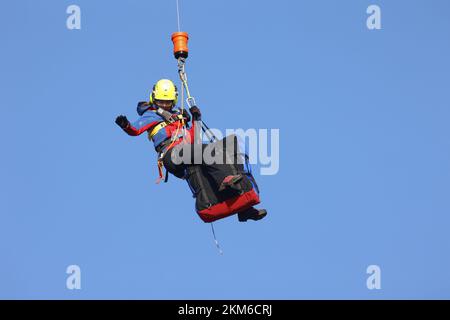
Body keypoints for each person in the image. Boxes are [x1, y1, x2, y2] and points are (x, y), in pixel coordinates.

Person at [115, 79, 266, 222]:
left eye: (168, 102)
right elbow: (135, 129)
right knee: (206, 151)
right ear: (154, 99)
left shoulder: (179, 117)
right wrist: (125, 125)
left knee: (230, 145)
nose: (165, 105)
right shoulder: (151, 114)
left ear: (173, 101)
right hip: (171, 155)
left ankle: (244, 207)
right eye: (161, 101)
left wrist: (196, 118)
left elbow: (194, 138)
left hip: (187, 152)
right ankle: (225, 180)